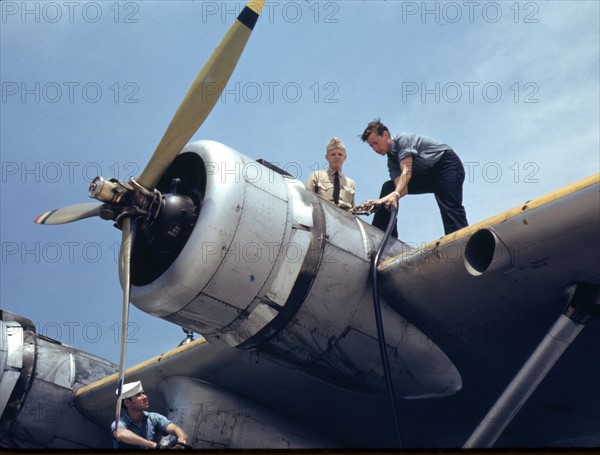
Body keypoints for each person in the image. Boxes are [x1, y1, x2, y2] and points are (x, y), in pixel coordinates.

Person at [360, 119, 468, 236]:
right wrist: (379, 202)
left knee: (450, 207)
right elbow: (401, 188)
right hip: (427, 176)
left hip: (446, 166)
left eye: (376, 143)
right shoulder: (391, 162)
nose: (375, 149)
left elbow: (407, 172)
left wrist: (395, 195)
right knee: (389, 187)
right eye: (372, 146)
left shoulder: (403, 139)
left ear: (385, 134)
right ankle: (382, 236)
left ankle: (461, 242)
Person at [111, 381, 188, 449]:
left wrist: (181, 442)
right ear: (127, 402)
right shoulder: (119, 423)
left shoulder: (153, 418)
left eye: (143, 393)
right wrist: (154, 446)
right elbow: (120, 434)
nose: (144, 397)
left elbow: (175, 429)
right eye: (138, 395)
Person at [305, 137, 356, 211]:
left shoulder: (350, 183)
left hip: (343, 220)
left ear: (345, 157)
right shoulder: (316, 176)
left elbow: (354, 213)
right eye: (333, 154)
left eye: (340, 154)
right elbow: (306, 202)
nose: (336, 157)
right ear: (327, 157)